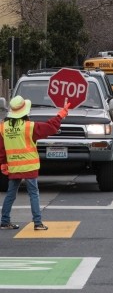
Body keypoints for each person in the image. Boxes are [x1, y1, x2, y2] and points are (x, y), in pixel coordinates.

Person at [0, 95, 70, 230]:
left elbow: (1, 148)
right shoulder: (29, 126)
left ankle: (4, 221)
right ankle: (37, 223)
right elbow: (50, 127)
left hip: (14, 166)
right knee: (33, 193)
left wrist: (3, 163)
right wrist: (61, 114)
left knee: (11, 193)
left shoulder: (3, 127)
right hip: (29, 165)